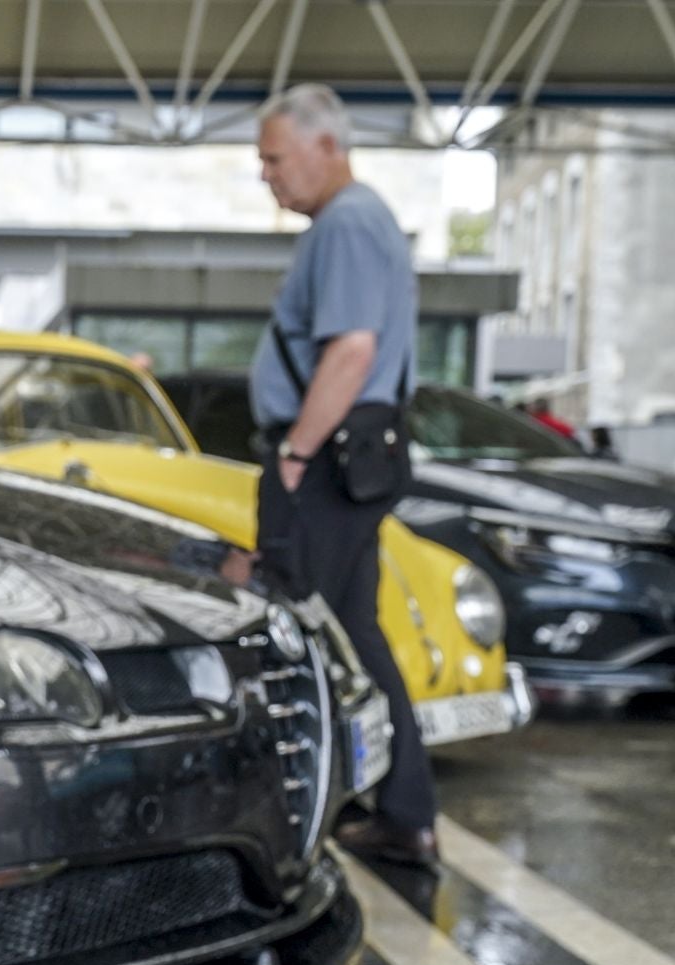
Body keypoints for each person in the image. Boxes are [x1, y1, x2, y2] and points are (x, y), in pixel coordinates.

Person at [250, 83, 437, 865]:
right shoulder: (356, 221)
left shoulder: (350, 221)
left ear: (328, 147)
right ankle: (403, 812)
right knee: (353, 632)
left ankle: (297, 823)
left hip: (325, 462)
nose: (267, 176)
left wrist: (295, 453)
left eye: (275, 159)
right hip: (351, 457)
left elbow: (351, 350)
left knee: (294, 633)